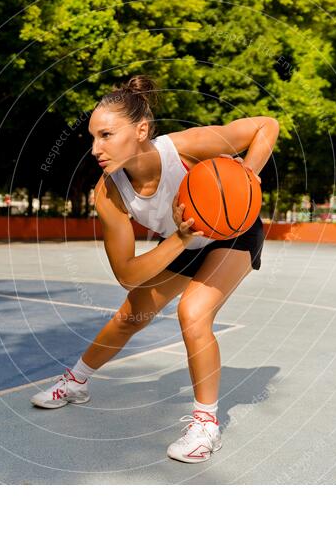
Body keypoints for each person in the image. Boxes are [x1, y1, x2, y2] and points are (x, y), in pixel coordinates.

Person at [31, 74, 279, 463]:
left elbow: (267, 125)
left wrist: (245, 176)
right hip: (184, 238)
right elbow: (128, 273)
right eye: (93, 138)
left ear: (141, 130)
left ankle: (205, 426)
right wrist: (179, 240)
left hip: (234, 233)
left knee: (193, 312)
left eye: (107, 135)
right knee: (132, 313)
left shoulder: (185, 147)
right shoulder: (109, 192)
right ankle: (76, 381)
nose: (96, 148)